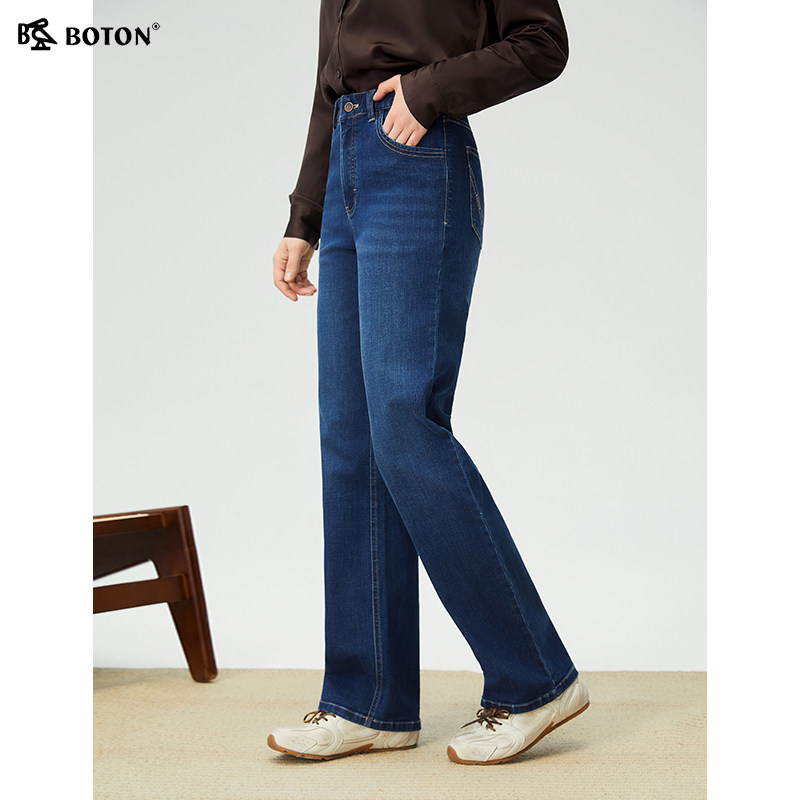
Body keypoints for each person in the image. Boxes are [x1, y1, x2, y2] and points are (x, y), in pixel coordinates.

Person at [268, 0, 589, 765]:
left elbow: (542, 42)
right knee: (351, 442)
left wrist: (428, 91)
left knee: (404, 424)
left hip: (416, 159)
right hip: (346, 163)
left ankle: (534, 679)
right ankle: (370, 701)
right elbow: (328, 80)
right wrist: (304, 214)